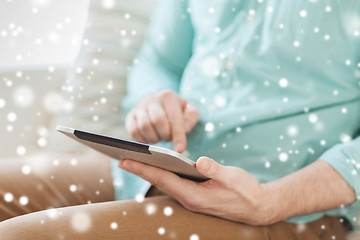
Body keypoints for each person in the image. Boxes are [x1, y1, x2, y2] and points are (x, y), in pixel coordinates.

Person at [0, 0, 359, 239]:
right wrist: (152, 100)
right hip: (162, 169)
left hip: (286, 208)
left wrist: (271, 201)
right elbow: (160, 60)